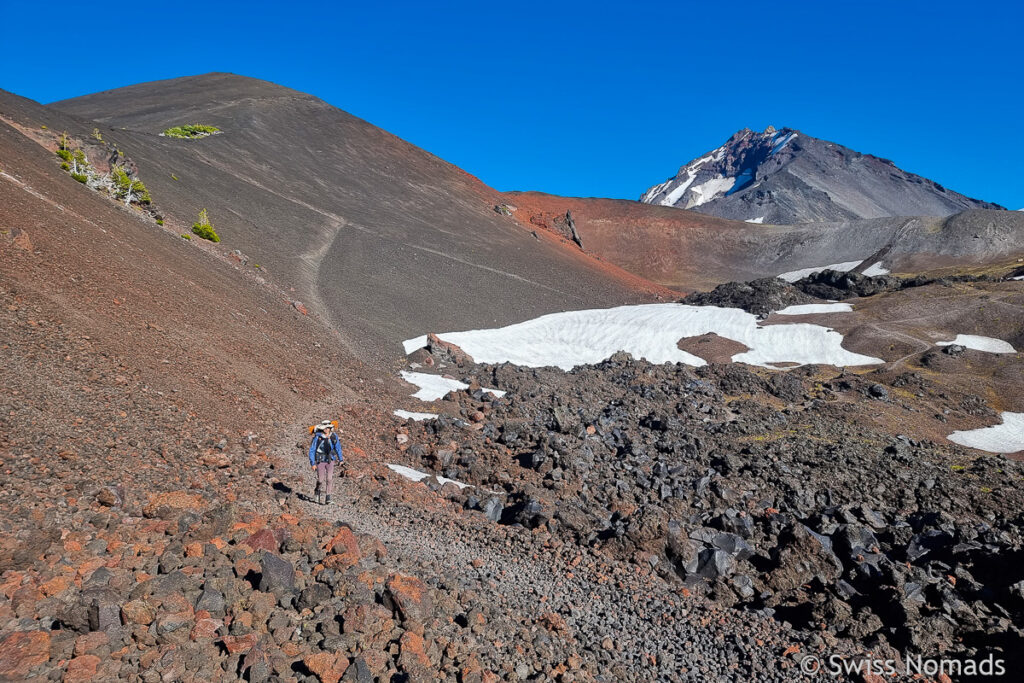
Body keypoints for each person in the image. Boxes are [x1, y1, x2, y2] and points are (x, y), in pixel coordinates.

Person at [308, 420, 344, 504]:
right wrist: (312, 463)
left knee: (329, 479)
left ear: (330, 428)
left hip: (330, 460)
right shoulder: (317, 437)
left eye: (328, 428)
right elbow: (312, 450)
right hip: (320, 460)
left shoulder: (334, 436)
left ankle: (328, 497)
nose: (326, 429)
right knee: (320, 479)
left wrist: (341, 459)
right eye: (325, 428)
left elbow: (338, 448)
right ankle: (317, 491)